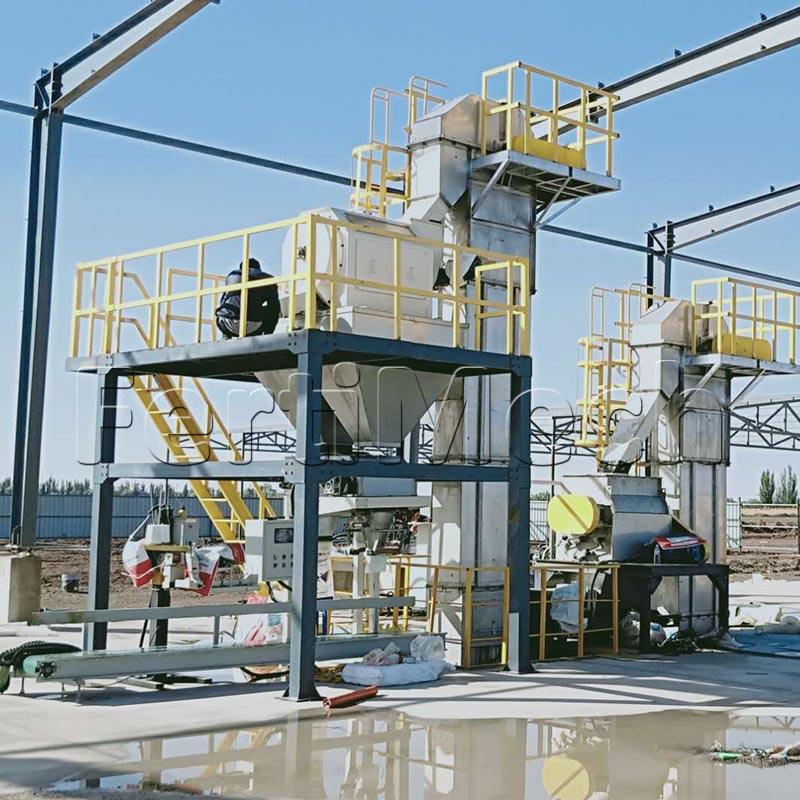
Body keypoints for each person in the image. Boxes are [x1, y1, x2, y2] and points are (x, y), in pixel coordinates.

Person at [215, 257, 280, 338]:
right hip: (252, 327)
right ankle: (267, 336)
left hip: (226, 326)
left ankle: (226, 337)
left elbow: (222, 302)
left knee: (225, 307)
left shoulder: (232, 276)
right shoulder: (266, 278)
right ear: (258, 268)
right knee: (274, 307)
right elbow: (274, 306)